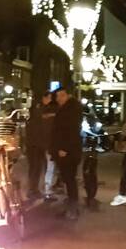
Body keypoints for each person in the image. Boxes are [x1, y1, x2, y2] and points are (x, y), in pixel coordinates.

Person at [50, 85, 83, 220]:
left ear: (68, 95)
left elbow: (71, 131)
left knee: (69, 180)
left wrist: (64, 148)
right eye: (57, 96)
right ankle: (71, 207)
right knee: (68, 179)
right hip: (67, 150)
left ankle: (72, 210)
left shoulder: (71, 109)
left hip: (68, 151)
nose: (58, 99)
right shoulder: (67, 108)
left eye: (61, 96)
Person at [25, 92, 56, 201]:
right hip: (35, 144)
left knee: (39, 167)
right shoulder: (37, 108)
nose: (49, 100)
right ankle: (32, 190)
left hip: (39, 144)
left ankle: (35, 189)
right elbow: (39, 123)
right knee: (35, 167)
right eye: (48, 98)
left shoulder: (44, 108)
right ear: (44, 98)